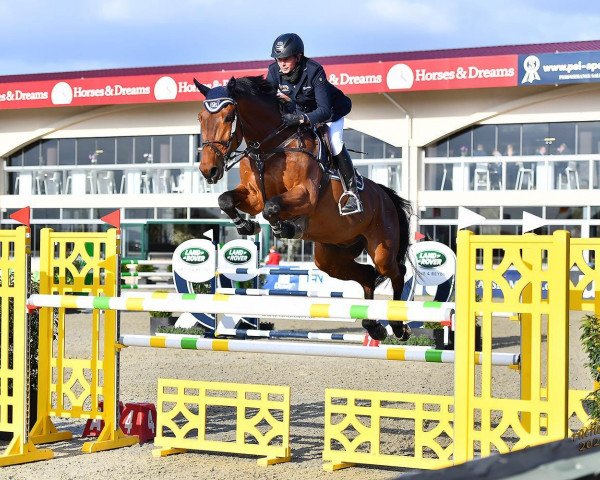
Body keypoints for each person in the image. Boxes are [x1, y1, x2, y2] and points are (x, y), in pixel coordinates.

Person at [266, 33, 360, 215]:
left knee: (334, 143)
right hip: (303, 111)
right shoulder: (274, 71)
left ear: (298, 57)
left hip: (332, 112)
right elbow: (267, 100)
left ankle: (352, 192)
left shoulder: (314, 70)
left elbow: (324, 110)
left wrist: (301, 119)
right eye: (279, 59)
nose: (282, 63)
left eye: (286, 59)